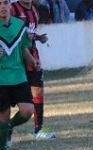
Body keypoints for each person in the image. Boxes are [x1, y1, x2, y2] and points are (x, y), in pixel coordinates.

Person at [11, 0, 57, 141]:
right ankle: (6, 127)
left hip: (32, 57)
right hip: (15, 60)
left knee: (38, 91)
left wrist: (38, 37)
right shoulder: (12, 9)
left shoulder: (35, 10)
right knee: (10, 99)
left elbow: (29, 34)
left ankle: (39, 130)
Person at [0, 0, 39, 150]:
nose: (2, 6)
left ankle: (8, 128)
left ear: (10, 6)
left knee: (27, 111)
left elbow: (23, 48)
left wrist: (33, 62)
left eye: (5, 3)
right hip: (1, 78)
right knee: (3, 115)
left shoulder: (19, 25)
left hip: (19, 75)